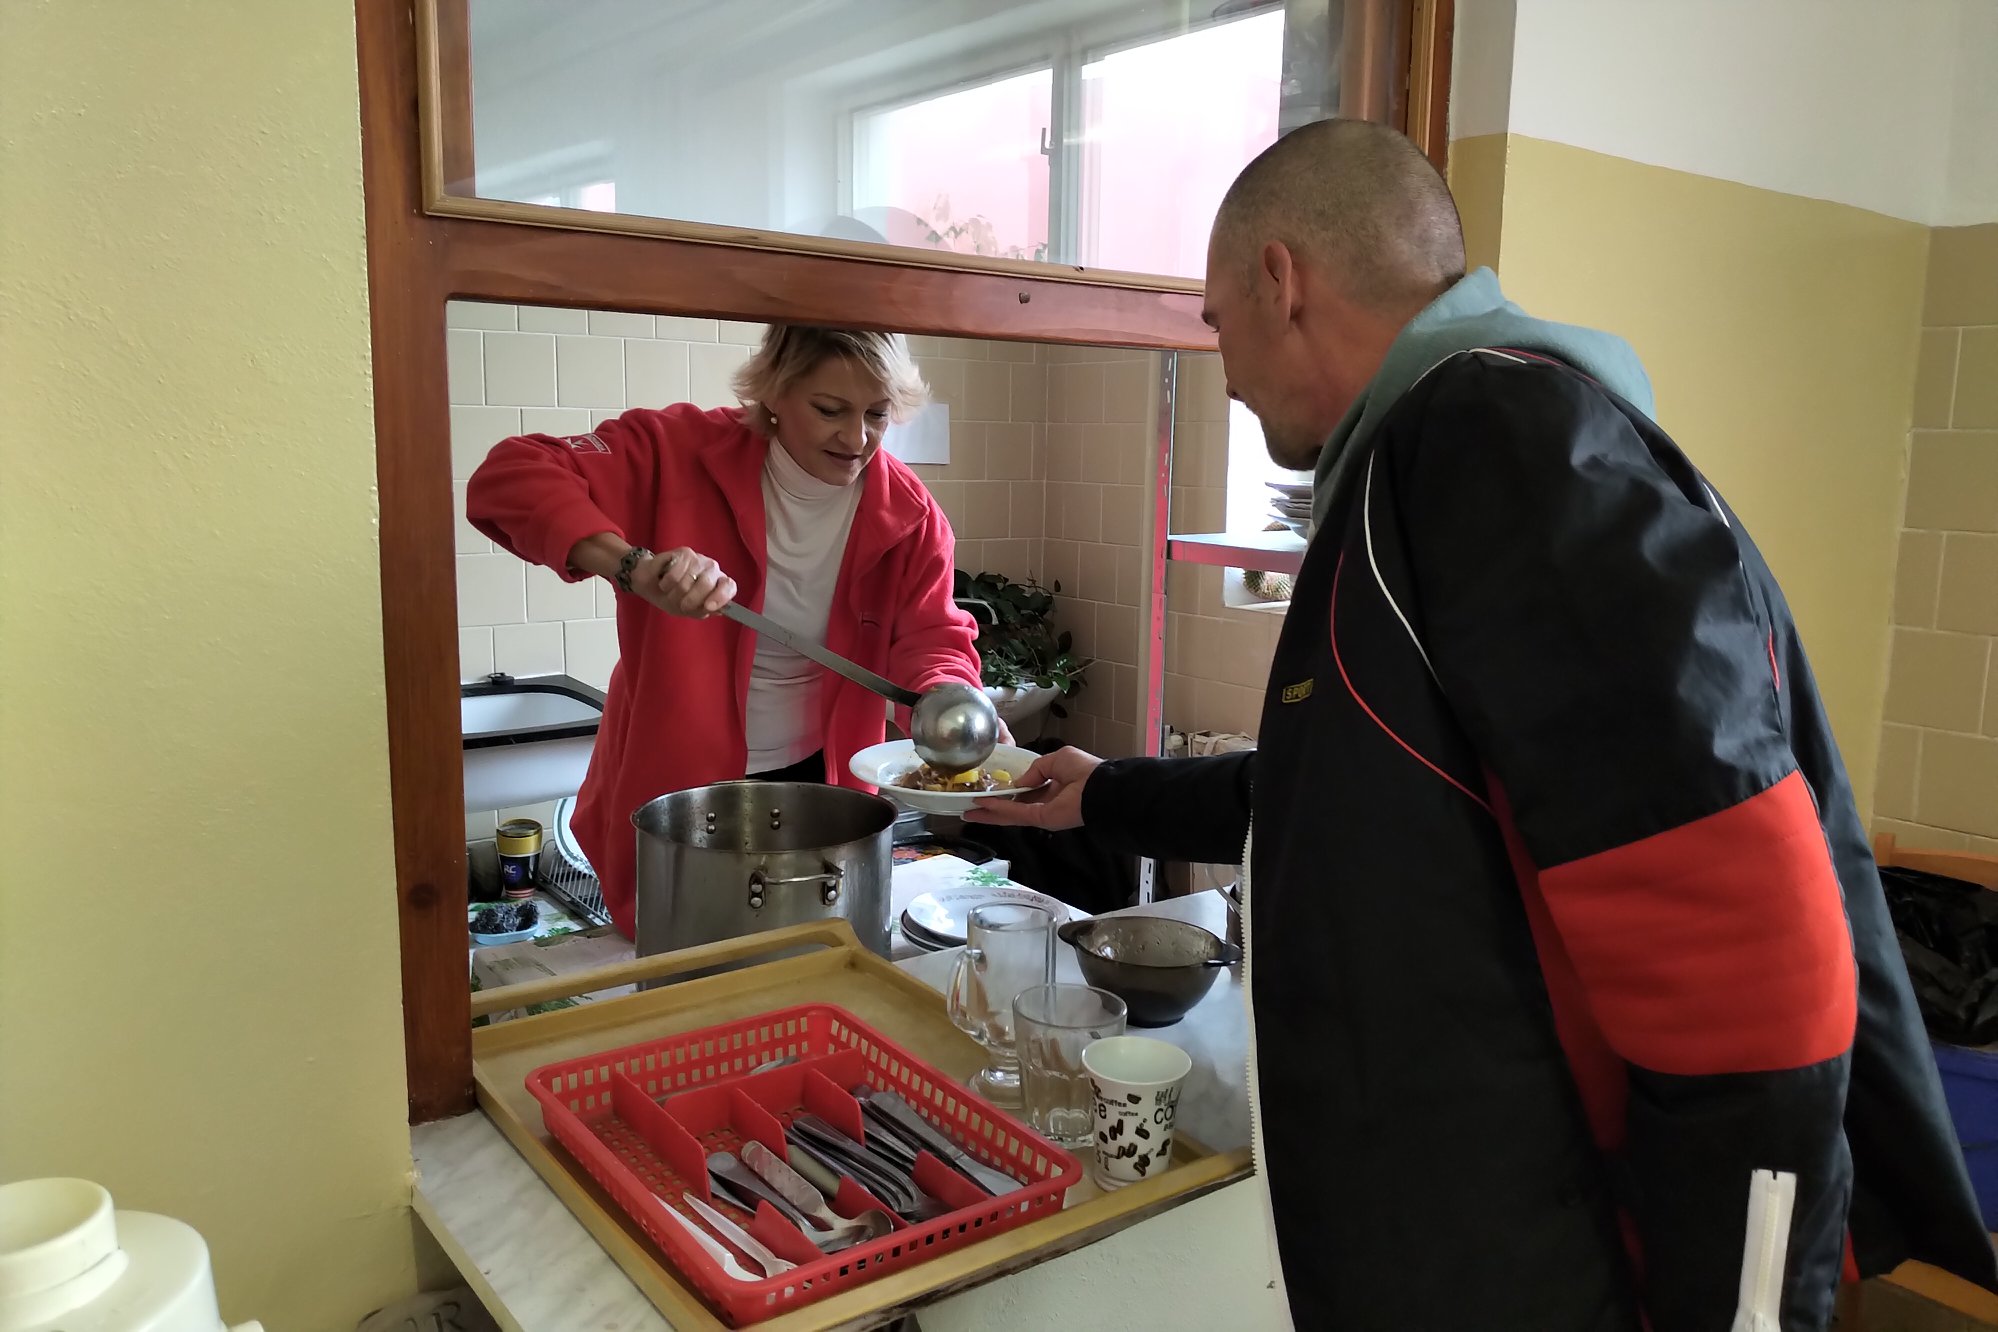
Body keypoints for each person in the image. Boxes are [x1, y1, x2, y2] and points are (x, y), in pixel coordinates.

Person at [969, 119, 1996, 1330]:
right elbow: (1341, 788)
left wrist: (1745, 1312)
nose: (1226, 367)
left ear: (1280, 280)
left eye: (1213, 321)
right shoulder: (1409, 472)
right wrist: (1105, 792)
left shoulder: (1502, 441)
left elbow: (1737, 930)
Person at [468, 325, 991, 939]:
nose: (856, 439)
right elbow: (510, 475)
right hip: (678, 783)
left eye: (877, 415)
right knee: (683, 963)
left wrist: (948, 691)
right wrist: (631, 566)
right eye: (830, 410)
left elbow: (933, 637)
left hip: (822, 785)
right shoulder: (673, 451)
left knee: (807, 956)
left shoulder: (910, 515)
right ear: (773, 394)